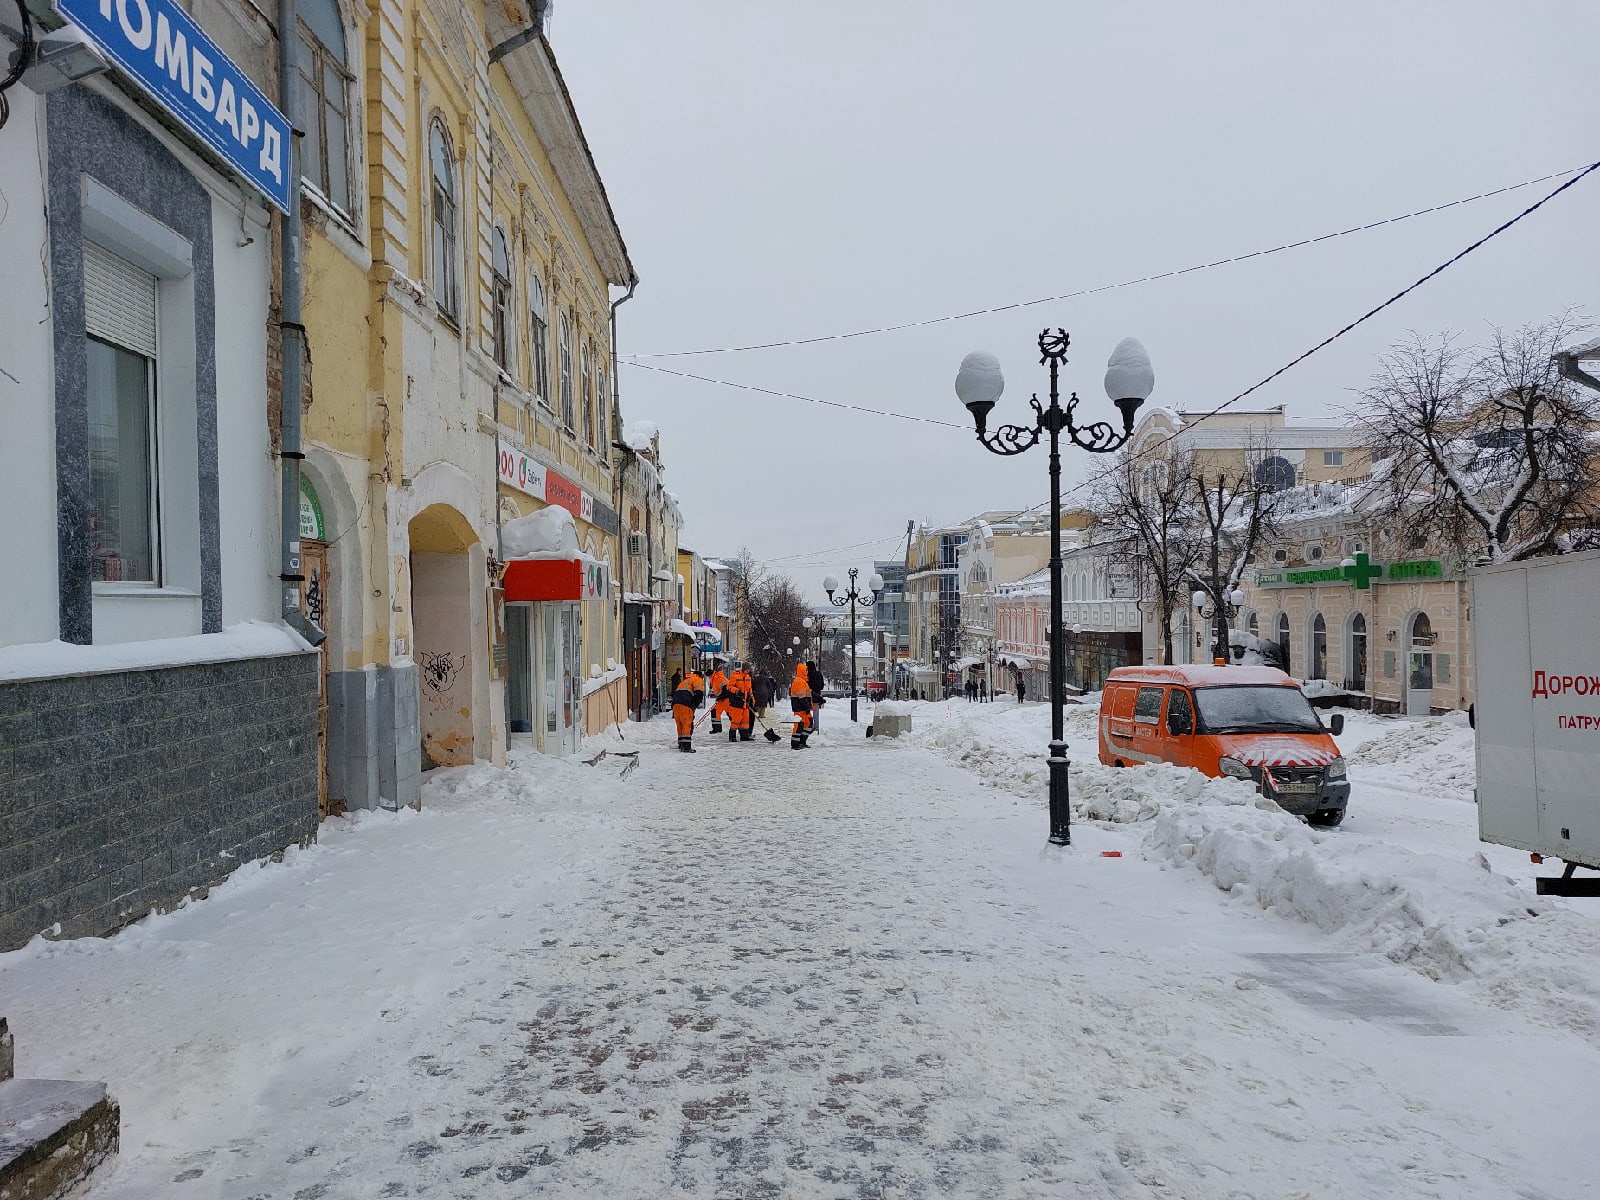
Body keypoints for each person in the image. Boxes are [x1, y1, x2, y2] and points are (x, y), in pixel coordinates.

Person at [671, 667, 705, 753]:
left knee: (680, 724)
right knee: (687, 723)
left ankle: (681, 744)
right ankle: (686, 747)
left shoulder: (686, 681)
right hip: (685, 703)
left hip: (675, 703)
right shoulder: (698, 680)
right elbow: (699, 693)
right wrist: (695, 704)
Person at [726, 662, 755, 742]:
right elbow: (729, 687)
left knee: (745, 721)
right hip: (737, 702)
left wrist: (752, 699)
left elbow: (750, 690)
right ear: (744, 669)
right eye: (747, 669)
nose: (748, 671)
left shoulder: (748, 677)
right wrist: (737, 691)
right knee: (736, 720)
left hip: (746, 702)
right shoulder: (735, 676)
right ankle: (732, 736)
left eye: (749, 669)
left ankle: (744, 736)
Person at [788, 661, 814, 749]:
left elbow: (808, 693)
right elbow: (802, 697)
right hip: (799, 708)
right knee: (799, 726)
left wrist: (818, 698)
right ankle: (795, 744)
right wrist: (807, 707)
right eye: (805, 670)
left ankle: (801, 741)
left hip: (802, 708)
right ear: (802, 671)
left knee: (808, 724)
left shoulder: (802, 681)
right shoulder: (799, 681)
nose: (807, 672)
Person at [707, 661, 729, 734]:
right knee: (731, 714)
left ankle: (717, 729)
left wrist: (721, 696)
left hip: (725, 698)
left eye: (708, 676)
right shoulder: (715, 677)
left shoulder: (717, 678)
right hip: (725, 698)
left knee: (715, 712)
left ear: (710, 675)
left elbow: (726, 687)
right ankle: (740, 728)